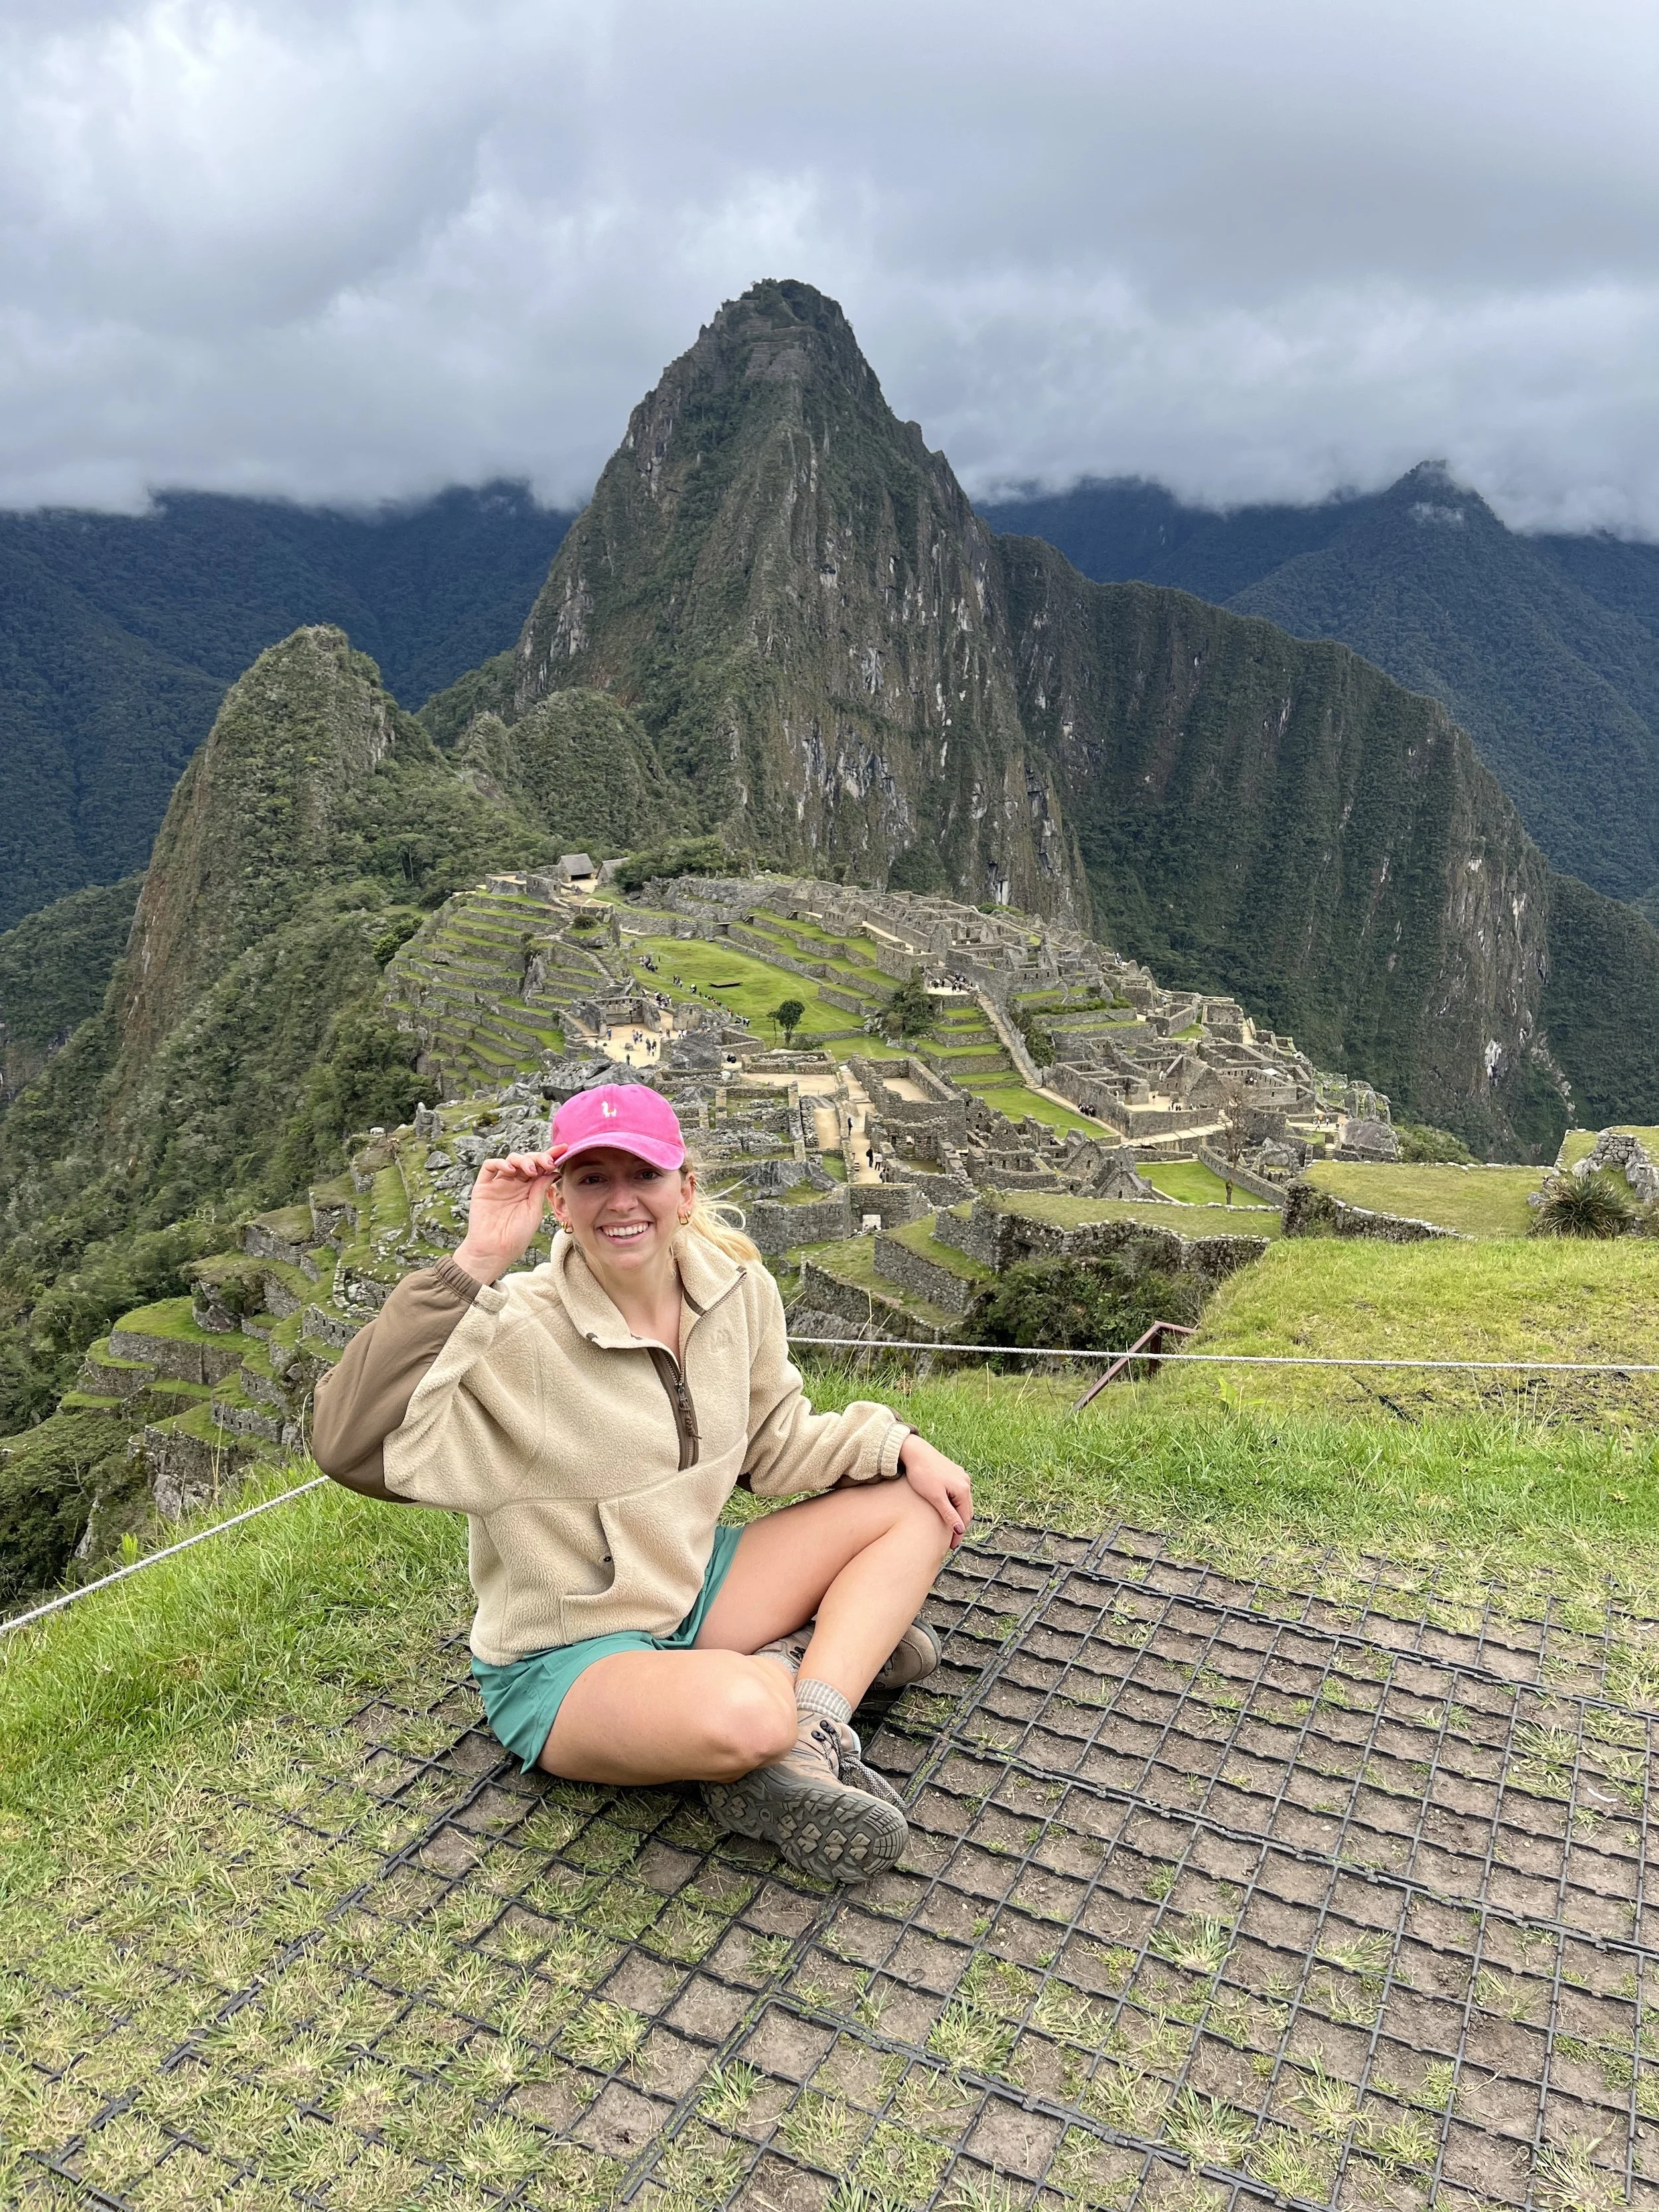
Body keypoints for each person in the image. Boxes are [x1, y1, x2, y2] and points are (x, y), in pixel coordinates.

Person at [311, 1083, 972, 1884]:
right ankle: (813, 1667)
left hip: (691, 1586)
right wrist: (475, 1261)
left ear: (684, 1190)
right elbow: (351, 1446)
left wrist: (900, 1444)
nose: (621, 1201)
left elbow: (776, 1444)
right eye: (592, 1179)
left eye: (645, 1176)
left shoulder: (735, 1291)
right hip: (566, 1657)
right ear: (558, 1200)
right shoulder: (513, 1328)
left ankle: (810, 1725)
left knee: (918, 1507)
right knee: (743, 1715)